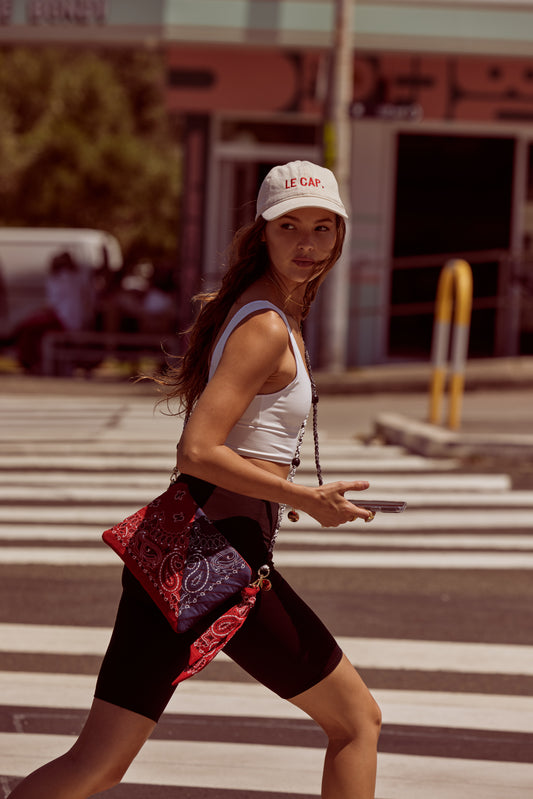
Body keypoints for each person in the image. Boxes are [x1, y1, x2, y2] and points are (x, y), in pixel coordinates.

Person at [8, 161, 381, 799]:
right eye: (289, 226)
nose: (308, 244)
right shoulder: (264, 325)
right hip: (210, 554)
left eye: (323, 228)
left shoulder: (271, 313)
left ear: (340, 235)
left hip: (199, 549)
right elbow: (197, 450)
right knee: (356, 721)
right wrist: (302, 498)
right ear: (261, 232)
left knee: (97, 764)